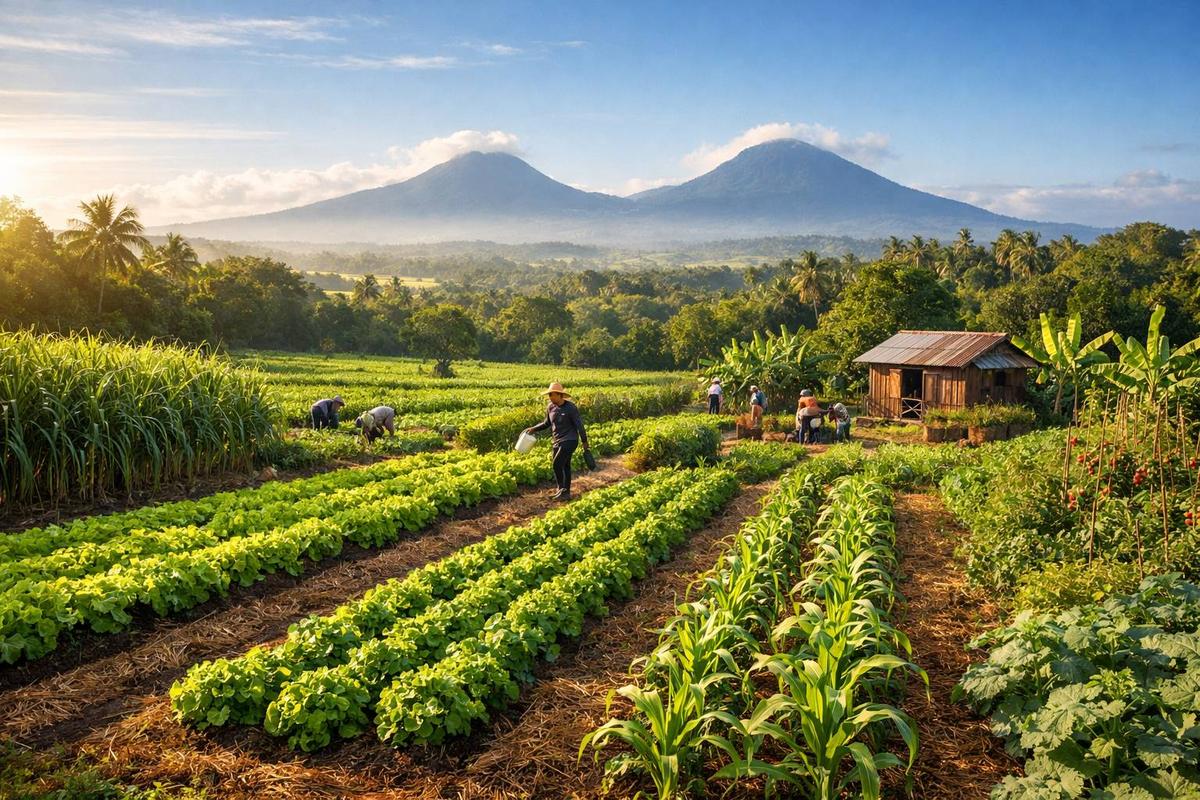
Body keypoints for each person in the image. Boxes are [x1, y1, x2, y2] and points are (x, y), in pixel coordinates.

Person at [524, 382, 590, 501]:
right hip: (557, 440)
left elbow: (579, 425)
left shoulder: (571, 408)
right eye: (549, 395)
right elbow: (546, 423)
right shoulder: (550, 407)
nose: (550, 397)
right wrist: (533, 429)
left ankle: (562, 491)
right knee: (565, 466)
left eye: (552, 395)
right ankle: (564, 492)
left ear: (560, 395)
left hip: (570, 440)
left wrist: (584, 441)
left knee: (557, 464)